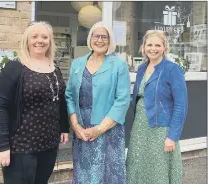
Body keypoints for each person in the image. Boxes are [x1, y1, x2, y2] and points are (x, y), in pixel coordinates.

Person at [0, 21, 69, 184]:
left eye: (44, 37)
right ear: (27, 40)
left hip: (49, 143)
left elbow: (60, 100)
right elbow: (0, 107)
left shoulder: (54, 67)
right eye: (34, 36)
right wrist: (2, 146)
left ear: (50, 41)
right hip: (21, 146)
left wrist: (64, 127)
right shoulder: (15, 67)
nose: (39, 40)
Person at [65, 21, 131, 184]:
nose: (100, 40)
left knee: (107, 175)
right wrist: (76, 126)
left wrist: (99, 129)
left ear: (110, 41)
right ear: (90, 38)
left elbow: (122, 100)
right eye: (96, 36)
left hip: (108, 130)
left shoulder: (118, 65)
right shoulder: (77, 64)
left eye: (104, 37)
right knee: (84, 173)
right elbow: (69, 95)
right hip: (82, 129)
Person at [126, 30, 188, 184]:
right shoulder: (141, 69)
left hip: (161, 130)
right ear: (144, 47)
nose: (153, 48)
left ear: (164, 48)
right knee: (137, 166)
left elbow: (181, 105)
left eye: (157, 45)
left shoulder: (172, 69)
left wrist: (172, 137)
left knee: (158, 170)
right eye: (149, 45)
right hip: (140, 128)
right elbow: (139, 97)